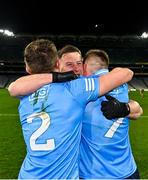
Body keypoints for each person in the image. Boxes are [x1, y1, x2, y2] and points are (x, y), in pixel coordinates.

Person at [8, 40, 133, 179]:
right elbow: (125, 74)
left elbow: (13, 87)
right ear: (57, 63)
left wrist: (127, 108)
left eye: (78, 63)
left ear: (27, 69)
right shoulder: (76, 89)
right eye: (69, 64)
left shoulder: (23, 95)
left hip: (28, 175)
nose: (75, 68)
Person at [79, 49, 143, 179]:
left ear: (85, 66)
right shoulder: (122, 85)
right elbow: (138, 110)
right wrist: (128, 108)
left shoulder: (82, 87)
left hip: (94, 174)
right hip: (127, 171)